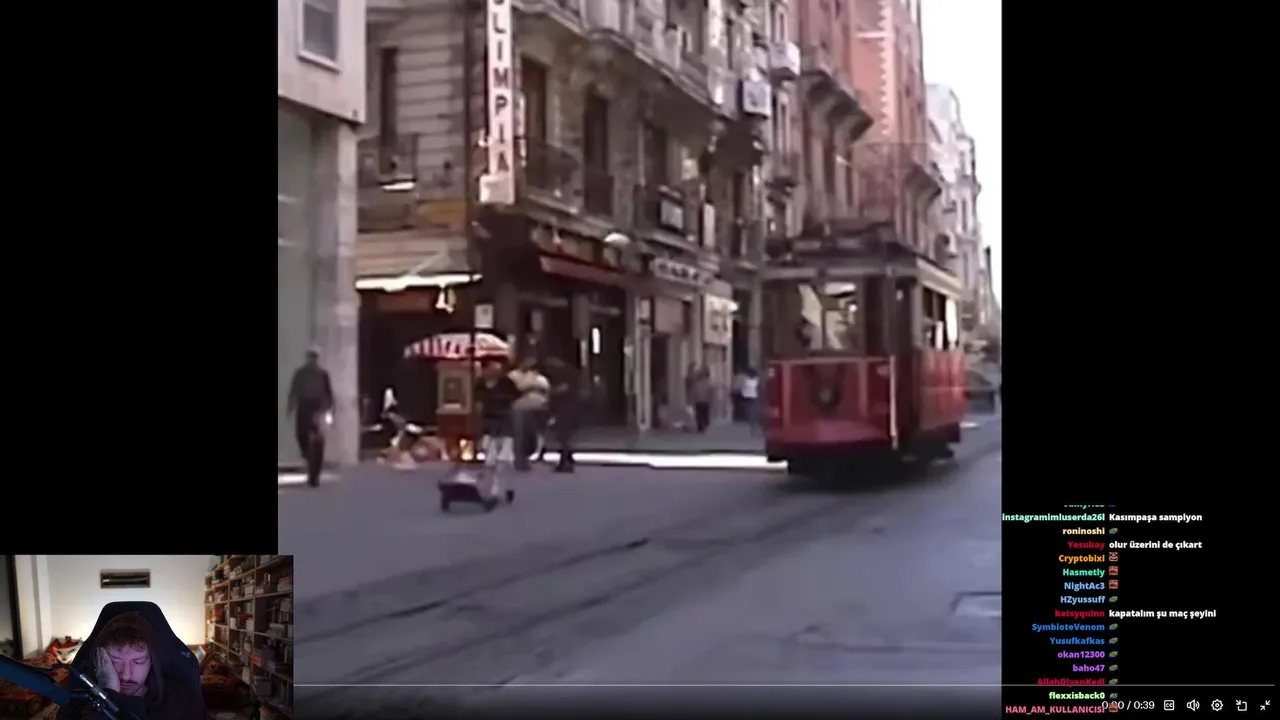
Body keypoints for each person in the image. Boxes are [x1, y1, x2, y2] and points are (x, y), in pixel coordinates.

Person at [66, 612, 206, 720]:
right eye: (114, 661)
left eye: (138, 662)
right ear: (98, 660)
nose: (126, 674)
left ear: (152, 661)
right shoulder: (77, 699)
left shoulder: (180, 699)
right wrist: (108, 694)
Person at [286, 347, 333, 487]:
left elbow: (328, 392)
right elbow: (294, 390)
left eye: (315, 357)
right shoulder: (300, 374)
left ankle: (314, 475)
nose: (312, 360)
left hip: (318, 407)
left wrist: (329, 409)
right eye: (310, 357)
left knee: (318, 440)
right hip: (304, 406)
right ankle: (307, 455)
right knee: (301, 434)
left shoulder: (323, 375)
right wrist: (291, 406)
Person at [474, 361, 519, 501]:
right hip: (489, 423)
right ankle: (491, 487)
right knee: (490, 460)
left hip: (505, 421)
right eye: (491, 369)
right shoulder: (480, 384)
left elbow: (516, 397)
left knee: (503, 460)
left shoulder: (506, 383)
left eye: (497, 370)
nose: (495, 372)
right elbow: (478, 404)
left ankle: (501, 488)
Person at [507, 356, 549, 471]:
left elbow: (544, 386)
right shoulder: (512, 375)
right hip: (519, 408)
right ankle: (519, 460)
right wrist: (530, 387)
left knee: (530, 434)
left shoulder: (534, 375)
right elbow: (519, 388)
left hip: (536, 407)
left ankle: (526, 457)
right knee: (520, 434)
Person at [544, 356, 578, 473]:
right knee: (564, 436)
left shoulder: (565, 373)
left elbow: (564, 388)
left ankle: (565, 462)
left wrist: (550, 391)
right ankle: (568, 458)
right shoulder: (569, 371)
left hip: (566, 407)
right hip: (567, 407)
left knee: (563, 436)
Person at [690, 365, 713, 433]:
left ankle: (701, 425)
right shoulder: (705, 383)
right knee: (702, 414)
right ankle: (702, 425)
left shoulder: (699, 384)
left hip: (701, 401)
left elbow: (694, 393)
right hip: (703, 401)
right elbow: (694, 393)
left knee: (701, 414)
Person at [740, 366, 761, 431]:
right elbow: (758, 388)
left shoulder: (746, 380)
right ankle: (753, 421)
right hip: (753, 395)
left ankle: (749, 420)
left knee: (747, 409)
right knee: (752, 409)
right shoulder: (756, 380)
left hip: (746, 395)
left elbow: (742, 387)